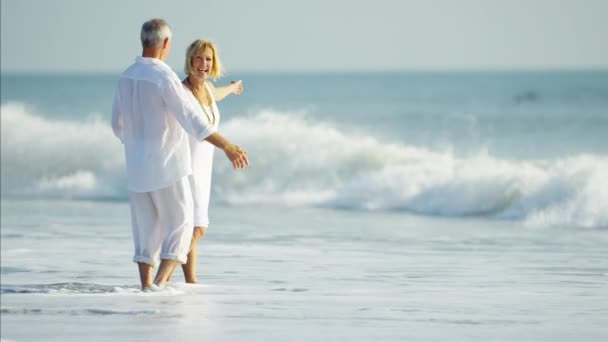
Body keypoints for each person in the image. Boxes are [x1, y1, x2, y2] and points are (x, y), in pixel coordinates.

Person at [111, 19, 248, 290]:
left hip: (137, 167)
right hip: (168, 164)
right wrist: (228, 146)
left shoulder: (126, 75)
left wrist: (138, 145)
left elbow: (117, 124)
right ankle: (160, 285)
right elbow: (192, 119)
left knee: (147, 228)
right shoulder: (165, 78)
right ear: (165, 43)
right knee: (184, 225)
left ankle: (146, 287)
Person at [168, 39, 243, 283]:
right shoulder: (183, 93)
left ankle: (190, 282)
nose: (203, 63)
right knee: (197, 227)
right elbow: (201, 128)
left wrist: (232, 87)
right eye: (199, 58)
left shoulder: (208, 88)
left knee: (192, 227)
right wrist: (228, 146)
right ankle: (162, 278)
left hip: (202, 169)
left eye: (208, 59)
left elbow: (217, 94)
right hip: (185, 166)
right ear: (190, 61)